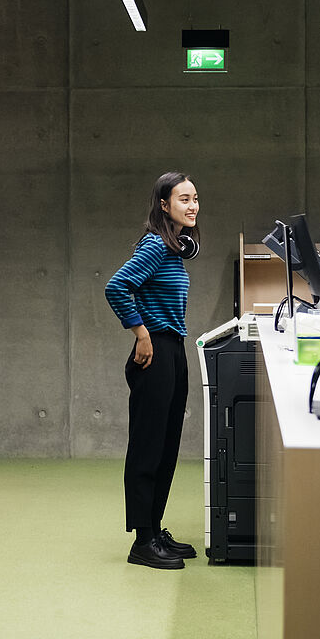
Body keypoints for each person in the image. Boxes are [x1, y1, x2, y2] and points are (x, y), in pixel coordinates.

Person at [105, 171, 201, 570]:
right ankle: (141, 541)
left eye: (195, 198)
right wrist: (140, 333)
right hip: (155, 351)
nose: (192, 206)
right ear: (164, 205)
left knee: (167, 446)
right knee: (148, 446)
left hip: (173, 350)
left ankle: (155, 528)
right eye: (183, 199)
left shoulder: (174, 249)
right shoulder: (155, 247)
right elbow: (116, 286)